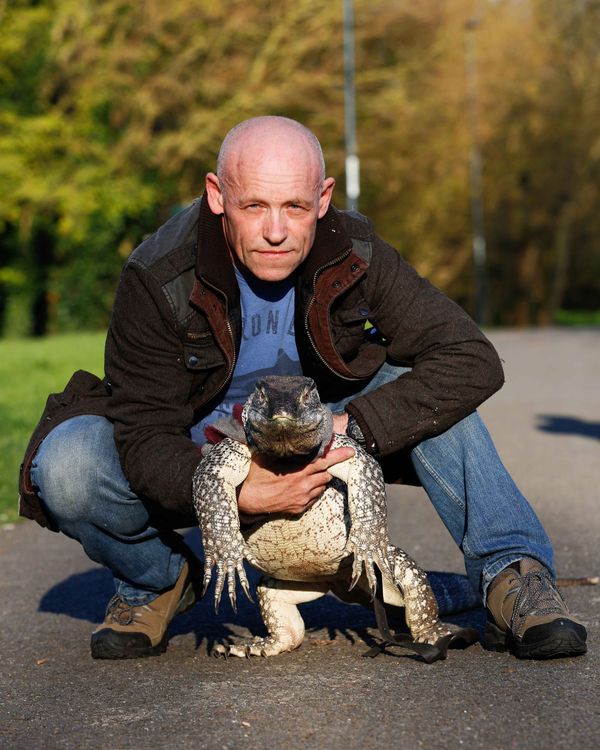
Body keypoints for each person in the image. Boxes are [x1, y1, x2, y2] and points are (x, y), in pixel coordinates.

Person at [20, 116, 586, 661]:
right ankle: (158, 582)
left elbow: (472, 358)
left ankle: (512, 576)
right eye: (254, 206)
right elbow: (144, 437)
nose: (275, 230)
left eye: (294, 206)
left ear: (322, 197)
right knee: (68, 465)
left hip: (326, 424)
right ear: (218, 196)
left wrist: (352, 426)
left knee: (438, 392)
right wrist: (239, 492)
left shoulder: (356, 250)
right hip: (205, 444)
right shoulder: (156, 274)